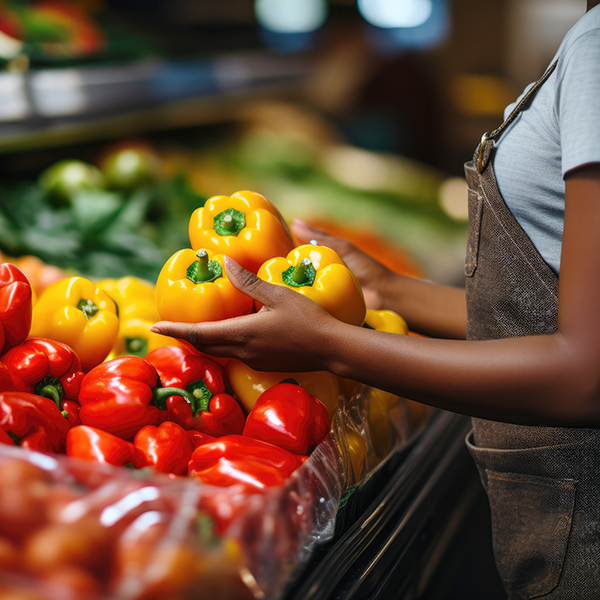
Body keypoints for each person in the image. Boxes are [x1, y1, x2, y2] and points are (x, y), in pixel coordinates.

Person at [152, 2, 600, 597]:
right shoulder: (587, 37)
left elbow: (586, 373)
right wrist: (388, 290)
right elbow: (550, 308)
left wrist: (333, 344)